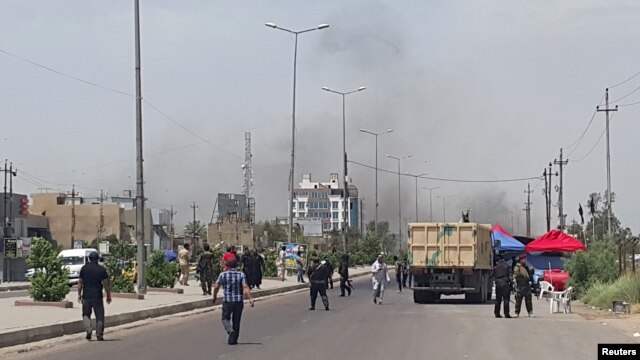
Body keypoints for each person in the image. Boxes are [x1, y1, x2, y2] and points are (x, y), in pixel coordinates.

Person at [213, 257, 254, 345]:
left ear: (226, 265)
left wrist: (214, 296)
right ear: (236, 265)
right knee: (237, 320)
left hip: (228, 301)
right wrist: (250, 298)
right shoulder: (241, 275)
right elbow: (245, 287)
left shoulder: (223, 275)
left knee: (225, 318)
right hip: (238, 301)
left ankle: (230, 330)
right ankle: (233, 340)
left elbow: (216, 286)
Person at [77, 251, 111, 341]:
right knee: (99, 316)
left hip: (86, 296)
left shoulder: (84, 269)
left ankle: (88, 329)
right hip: (97, 296)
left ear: (89, 258)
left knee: (86, 314)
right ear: (97, 259)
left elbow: (80, 282)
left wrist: (79, 294)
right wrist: (108, 295)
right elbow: (106, 283)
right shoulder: (101, 269)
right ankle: (99, 335)